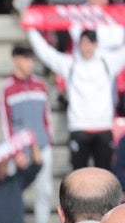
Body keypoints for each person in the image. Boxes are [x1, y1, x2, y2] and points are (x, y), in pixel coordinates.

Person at [27, 27, 125, 173]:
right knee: (78, 177)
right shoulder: (70, 64)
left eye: (90, 43)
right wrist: (30, 29)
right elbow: (46, 53)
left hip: (103, 128)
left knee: (105, 178)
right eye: (84, 43)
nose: (87, 47)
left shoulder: (107, 63)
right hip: (79, 128)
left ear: (96, 45)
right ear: (78, 44)